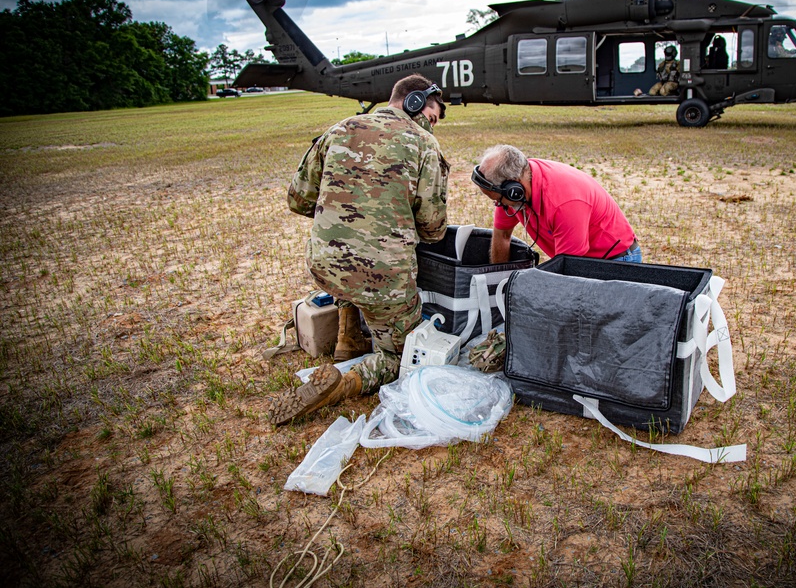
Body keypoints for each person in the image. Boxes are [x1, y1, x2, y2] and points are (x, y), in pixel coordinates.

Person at [269, 74, 450, 426]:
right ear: (415, 103)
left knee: (350, 261)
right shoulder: (424, 145)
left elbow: (297, 199)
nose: (433, 128)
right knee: (401, 357)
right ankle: (343, 385)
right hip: (381, 279)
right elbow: (432, 227)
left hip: (324, 267)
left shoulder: (338, 130)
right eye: (431, 117)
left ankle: (347, 335)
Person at [472, 144, 640, 264]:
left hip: (616, 260)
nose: (497, 205)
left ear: (514, 188)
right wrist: (498, 281)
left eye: (498, 200)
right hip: (579, 260)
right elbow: (502, 236)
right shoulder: (510, 191)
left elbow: (568, 269)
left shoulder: (565, 203)